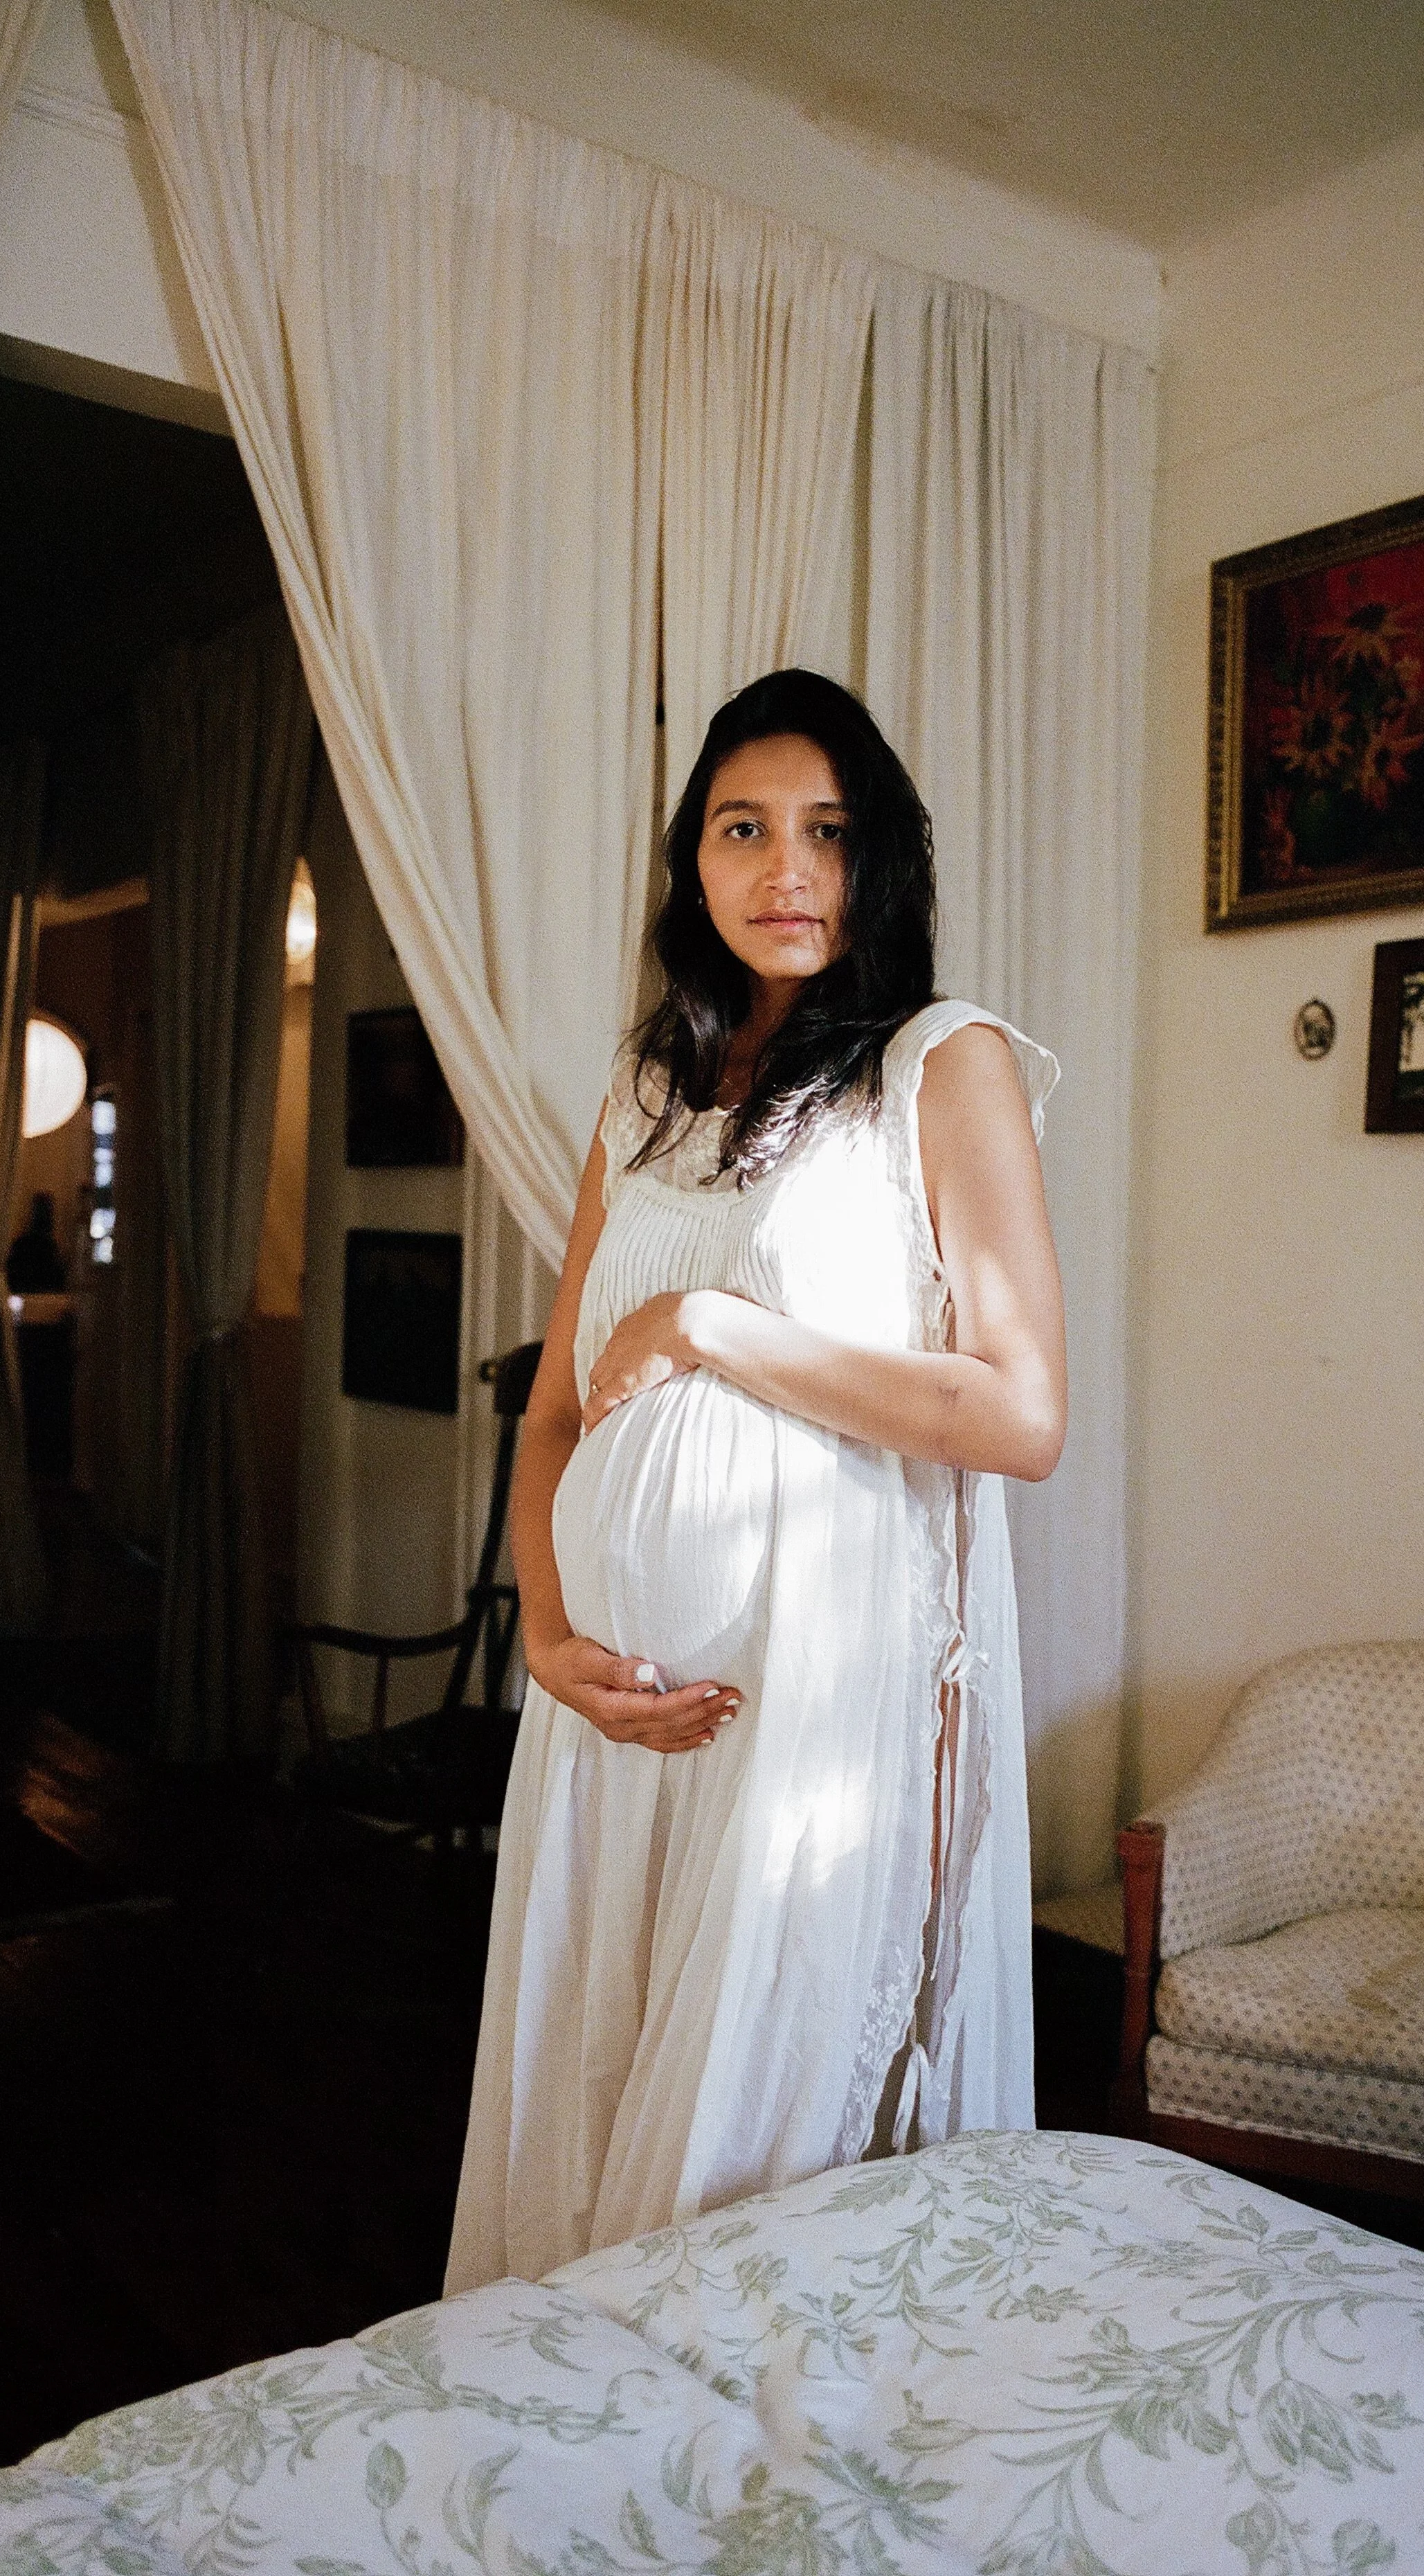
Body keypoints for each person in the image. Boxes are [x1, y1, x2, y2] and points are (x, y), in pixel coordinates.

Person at [446, 669, 1066, 2289]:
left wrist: (716, 1324)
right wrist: (548, 1638)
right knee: (587, 2109)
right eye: (743, 829)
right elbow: (557, 1417)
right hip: (611, 1720)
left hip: (818, 1715)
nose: (785, 869)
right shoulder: (641, 1097)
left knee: (755, 2164)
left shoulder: (944, 1064)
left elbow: (1019, 1415)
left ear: (883, 864)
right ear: (694, 864)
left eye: (827, 831)